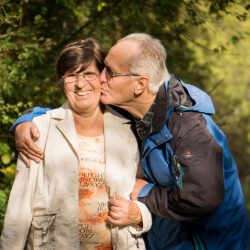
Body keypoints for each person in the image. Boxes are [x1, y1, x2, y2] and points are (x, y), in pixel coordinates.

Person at [11, 33, 250, 249]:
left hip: (210, 244)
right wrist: (25, 120)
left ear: (140, 84)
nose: (100, 79)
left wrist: (145, 192)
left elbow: (201, 197)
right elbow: (74, 109)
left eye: (110, 72)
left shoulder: (189, 128)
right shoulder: (134, 110)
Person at [0, 38, 152, 250]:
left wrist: (140, 214)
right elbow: (18, 211)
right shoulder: (40, 129)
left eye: (89, 74)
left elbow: (147, 194)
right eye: (71, 75)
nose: (80, 84)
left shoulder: (130, 130)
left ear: (103, 77)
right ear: (62, 81)